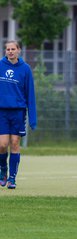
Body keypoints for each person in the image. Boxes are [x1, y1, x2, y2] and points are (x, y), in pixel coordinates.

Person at [0, 40, 37, 189]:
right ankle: (3, 170)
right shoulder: (0, 65)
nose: (10, 51)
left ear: (19, 51)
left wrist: (33, 119)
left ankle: (12, 179)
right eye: (8, 49)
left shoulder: (25, 69)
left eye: (13, 49)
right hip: (2, 112)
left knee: (15, 143)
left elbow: (30, 94)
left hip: (18, 112)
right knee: (2, 145)